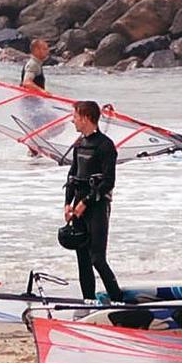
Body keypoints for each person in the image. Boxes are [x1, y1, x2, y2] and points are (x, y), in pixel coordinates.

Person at [63, 99, 123, 304]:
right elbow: (72, 176)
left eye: (75, 116)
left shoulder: (105, 146)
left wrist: (85, 202)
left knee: (97, 258)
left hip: (97, 206)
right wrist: (68, 203)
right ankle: (88, 301)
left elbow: (108, 182)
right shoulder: (79, 144)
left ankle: (118, 300)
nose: (73, 120)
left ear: (86, 118)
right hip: (78, 207)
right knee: (82, 258)